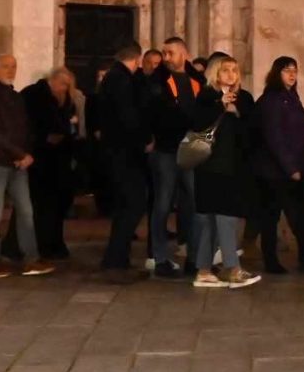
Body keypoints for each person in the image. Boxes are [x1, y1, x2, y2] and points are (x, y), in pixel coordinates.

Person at [184, 54, 261, 287]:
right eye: (225, 70)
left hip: (234, 167)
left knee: (216, 220)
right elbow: (197, 124)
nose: (231, 74)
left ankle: (204, 270)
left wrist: (237, 112)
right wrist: (220, 105)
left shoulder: (244, 98)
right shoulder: (206, 96)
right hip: (210, 167)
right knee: (221, 217)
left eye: (234, 70)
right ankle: (232, 269)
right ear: (215, 74)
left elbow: (253, 129)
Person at [0, 54, 50, 279]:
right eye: (5, 66)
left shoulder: (15, 97)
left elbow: (24, 128)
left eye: (13, 66)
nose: (10, 70)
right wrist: (20, 153)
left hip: (17, 163)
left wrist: (25, 153)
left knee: (26, 211)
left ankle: (31, 258)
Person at [254, 56, 304, 273]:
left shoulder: (291, 97)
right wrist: (291, 168)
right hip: (276, 172)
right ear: (277, 73)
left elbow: (297, 124)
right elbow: (274, 137)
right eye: (287, 70)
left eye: (294, 70)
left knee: (303, 215)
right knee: (271, 217)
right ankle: (272, 260)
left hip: (295, 167)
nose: (292, 74)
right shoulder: (272, 100)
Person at [92, 43, 154, 283]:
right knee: (134, 203)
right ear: (137, 59)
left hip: (116, 151)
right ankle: (116, 260)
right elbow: (128, 117)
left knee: (126, 205)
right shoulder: (122, 80)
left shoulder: (113, 77)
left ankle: (117, 258)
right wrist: (144, 140)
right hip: (124, 153)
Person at [145, 39, 206, 278]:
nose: (166, 57)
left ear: (184, 54)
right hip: (166, 149)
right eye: (164, 53)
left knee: (194, 203)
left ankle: (194, 257)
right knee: (162, 203)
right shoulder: (157, 81)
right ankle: (160, 257)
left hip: (191, 150)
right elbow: (152, 112)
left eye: (171, 53)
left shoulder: (197, 81)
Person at [22, 66, 81, 261]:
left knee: (59, 203)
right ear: (53, 81)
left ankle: (55, 242)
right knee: (42, 203)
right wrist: (44, 137)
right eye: (62, 84)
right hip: (41, 157)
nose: (64, 89)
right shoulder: (34, 95)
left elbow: (71, 124)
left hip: (60, 157)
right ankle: (42, 244)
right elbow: (27, 123)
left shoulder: (66, 100)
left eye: (67, 86)